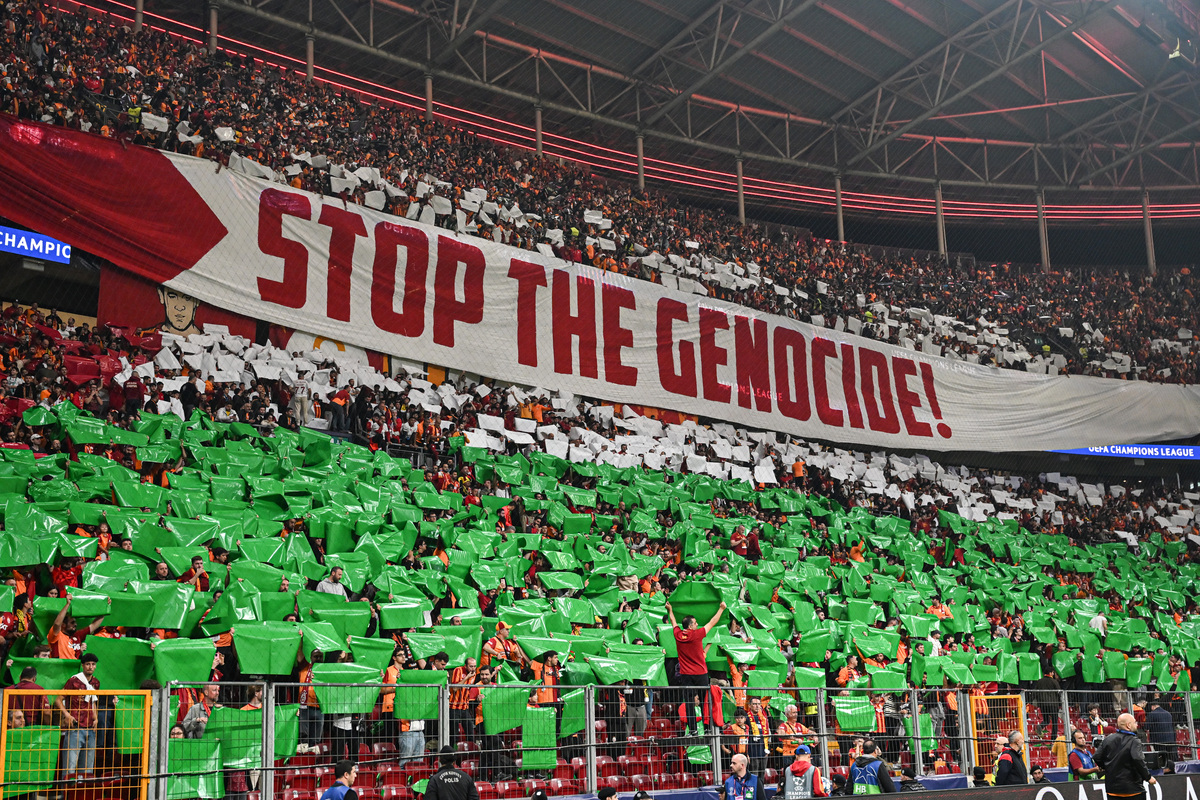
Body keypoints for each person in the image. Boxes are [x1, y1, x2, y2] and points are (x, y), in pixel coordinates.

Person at [667, 600, 726, 735]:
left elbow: (673, 622)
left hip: (686, 675)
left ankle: (693, 730)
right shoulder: (697, 634)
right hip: (700, 674)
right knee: (705, 701)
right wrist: (721, 609)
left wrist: (670, 610)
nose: (697, 624)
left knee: (689, 703)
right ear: (690, 625)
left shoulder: (678, 635)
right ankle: (707, 729)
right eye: (695, 623)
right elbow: (713, 622)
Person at [1094, 713, 1155, 800]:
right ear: (1128, 725)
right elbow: (1137, 758)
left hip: (1112, 790)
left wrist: (1107, 767)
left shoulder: (1108, 739)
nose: (1136, 724)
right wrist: (1148, 777)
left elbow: (1097, 757)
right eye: (1134, 722)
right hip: (1132, 789)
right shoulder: (1134, 741)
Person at [58, 653, 100, 777]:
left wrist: (96, 717)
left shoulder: (96, 683)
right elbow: (58, 699)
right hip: (75, 727)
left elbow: (93, 702)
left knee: (88, 768)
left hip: (90, 728)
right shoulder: (74, 680)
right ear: (82, 665)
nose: (90, 667)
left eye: (93, 664)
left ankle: (83, 794)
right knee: (70, 767)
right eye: (88, 664)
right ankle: (67, 794)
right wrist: (67, 715)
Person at [1145, 696, 1175, 761]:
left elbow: (1146, 727)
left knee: (1161, 757)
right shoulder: (1168, 714)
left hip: (1158, 740)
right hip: (1170, 739)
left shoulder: (1152, 714)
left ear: (1152, 707)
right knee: (1169, 756)